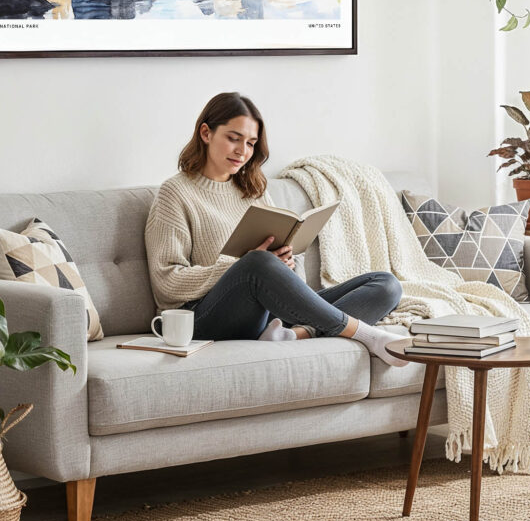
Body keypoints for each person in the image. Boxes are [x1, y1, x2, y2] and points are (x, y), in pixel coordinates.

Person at [144, 92, 410, 366]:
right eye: (234, 138)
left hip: (265, 312)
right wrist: (241, 264)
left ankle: (297, 335)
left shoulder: (253, 190)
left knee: (386, 284)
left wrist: (286, 264)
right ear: (205, 133)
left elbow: (286, 277)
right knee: (257, 262)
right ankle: (369, 336)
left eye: (250, 143)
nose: (242, 151)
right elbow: (167, 282)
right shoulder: (175, 193)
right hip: (201, 319)